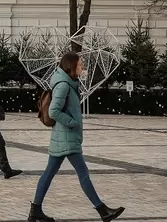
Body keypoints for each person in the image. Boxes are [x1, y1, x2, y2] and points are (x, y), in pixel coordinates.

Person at [28, 52, 125, 222]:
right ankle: (103, 211)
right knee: (83, 173)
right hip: (66, 136)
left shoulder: (69, 83)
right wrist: (72, 122)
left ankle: (35, 210)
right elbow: (54, 111)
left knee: (49, 173)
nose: (82, 67)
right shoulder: (63, 85)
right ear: (71, 66)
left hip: (63, 137)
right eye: (80, 64)